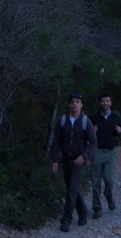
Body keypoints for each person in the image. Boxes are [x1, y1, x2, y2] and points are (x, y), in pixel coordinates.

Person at [49, 92, 97, 232]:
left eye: (78, 101)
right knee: (72, 188)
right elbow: (56, 141)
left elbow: (93, 143)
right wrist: (55, 159)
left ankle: (66, 220)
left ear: (81, 105)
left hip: (79, 161)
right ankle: (82, 212)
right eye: (73, 101)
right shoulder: (63, 120)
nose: (75, 104)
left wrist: (84, 156)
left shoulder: (85, 121)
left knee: (71, 190)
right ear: (69, 104)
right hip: (66, 160)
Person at [89, 93, 121, 218]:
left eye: (107, 101)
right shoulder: (94, 117)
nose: (105, 103)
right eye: (102, 101)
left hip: (111, 152)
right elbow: (86, 133)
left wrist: (119, 131)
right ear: (100, 103)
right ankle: (97, 208)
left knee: (109, 180)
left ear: (111, 103)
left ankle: (109, 196)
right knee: (95, 181)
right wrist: (92, 132)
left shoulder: (117, 116)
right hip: (97, 151)